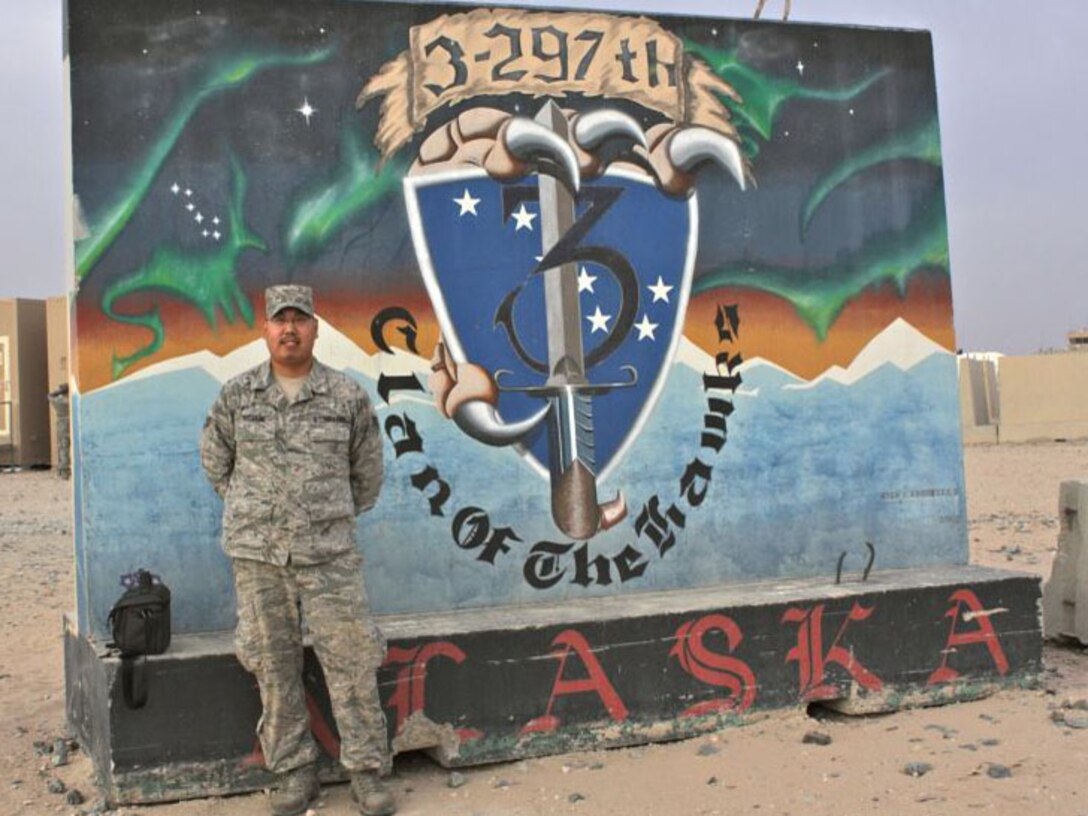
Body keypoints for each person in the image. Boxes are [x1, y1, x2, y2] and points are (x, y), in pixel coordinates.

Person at [200, 285, 394, 816]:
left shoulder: (347, 397)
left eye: (300, 320)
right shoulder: (237, 396)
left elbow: (367, 476)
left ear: (315, 328)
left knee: (352, 663)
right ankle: (293, 773)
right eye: (279, 320)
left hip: (330, 555)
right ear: (265, 329)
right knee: (273, 666)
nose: (290, 329)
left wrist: (320, 516)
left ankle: (368, 774)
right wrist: (257, 511)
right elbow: (216, 462)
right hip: (259, 558)